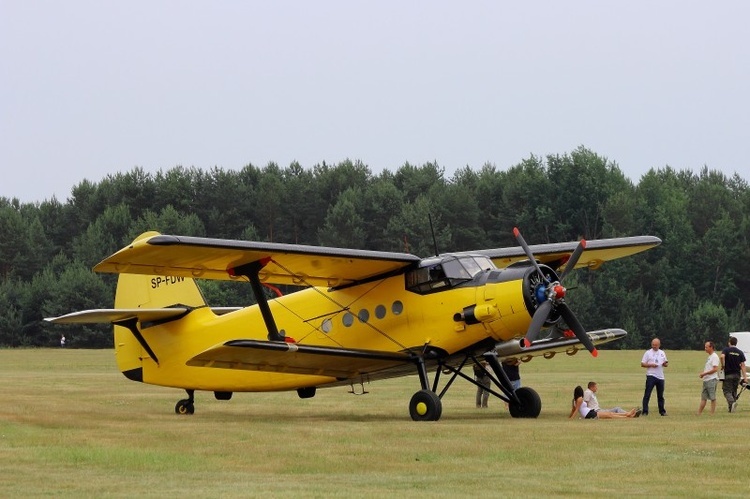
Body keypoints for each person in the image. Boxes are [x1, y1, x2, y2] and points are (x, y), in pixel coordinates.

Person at [569, 386, 641, 419]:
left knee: (610, 414)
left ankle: (627, 414)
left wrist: (570, 417)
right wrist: (571, 419)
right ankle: (627, 416)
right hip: (589, 414)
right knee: (610, 415)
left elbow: (573, 410)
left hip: (589, 412)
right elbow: (576, 410)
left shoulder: (574, 400)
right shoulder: (580, 399)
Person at [641, 338, 669, 416]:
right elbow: (642, 364)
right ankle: (645, 411)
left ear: (659, 345)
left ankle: (662, 411)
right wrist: (651, 365)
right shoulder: (648, 353)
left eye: (656, 345)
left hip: (660, 377)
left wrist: (664, 364)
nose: (654, 346)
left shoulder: (662, 353)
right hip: (651, 375)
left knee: (660, 395)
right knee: (647, 394)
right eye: (653, 345)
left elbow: (666, 364)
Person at [721, 336, 748, 412]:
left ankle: (732, 403)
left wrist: (723, 365)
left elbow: (722, 356)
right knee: (734, 391)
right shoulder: (740, 352)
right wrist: (745, 378)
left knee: (727, 391)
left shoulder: (726, 350)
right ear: (736, 343)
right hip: (737, 375)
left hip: (728, 374)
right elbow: (743, 365)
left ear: (729, 342)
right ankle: (731, 409)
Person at [697, 341, 720, 415]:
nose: (705, 348)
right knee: (704, 397)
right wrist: (704, 375)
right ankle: (699, 413)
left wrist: (704, 373)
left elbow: (715, 369)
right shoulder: (710, 357)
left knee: (712, 397)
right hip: (706, 379)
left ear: (711, 347)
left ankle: (712, 413)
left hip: (712, 379)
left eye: (706, 347)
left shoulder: (714, 356)